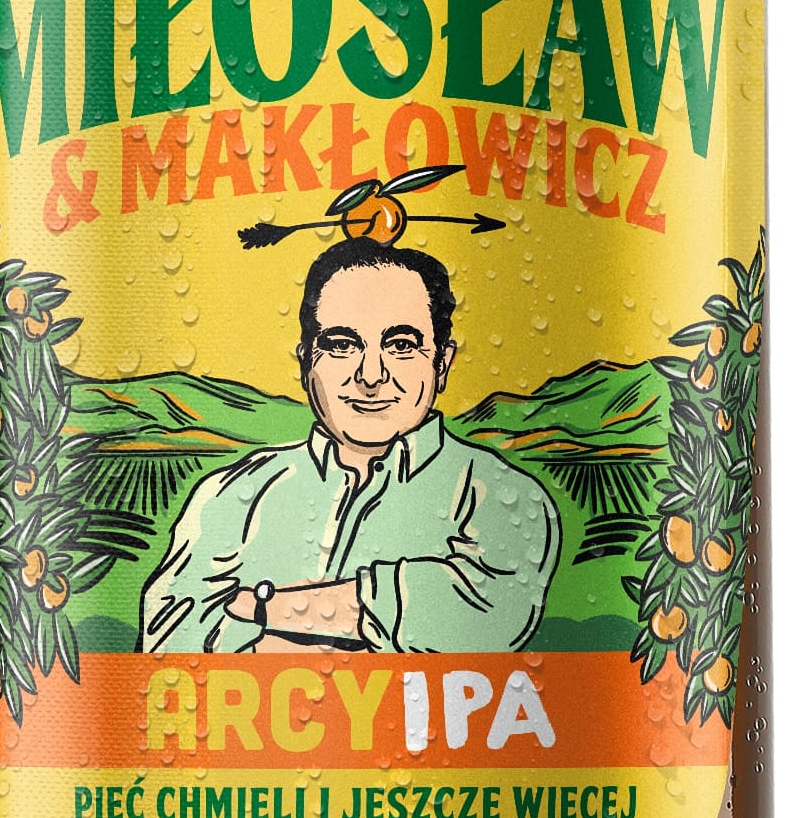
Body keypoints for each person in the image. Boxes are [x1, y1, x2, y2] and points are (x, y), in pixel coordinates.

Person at [138, 236, 560, 656]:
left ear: (442, 363)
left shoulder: (498, 494)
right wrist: (366, 624)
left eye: (401, 346)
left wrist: (262, 607)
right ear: (306, 362)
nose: (371, 375)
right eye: (342, 345)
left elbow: (484, 617)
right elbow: (168, 647)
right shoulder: (230, 493)